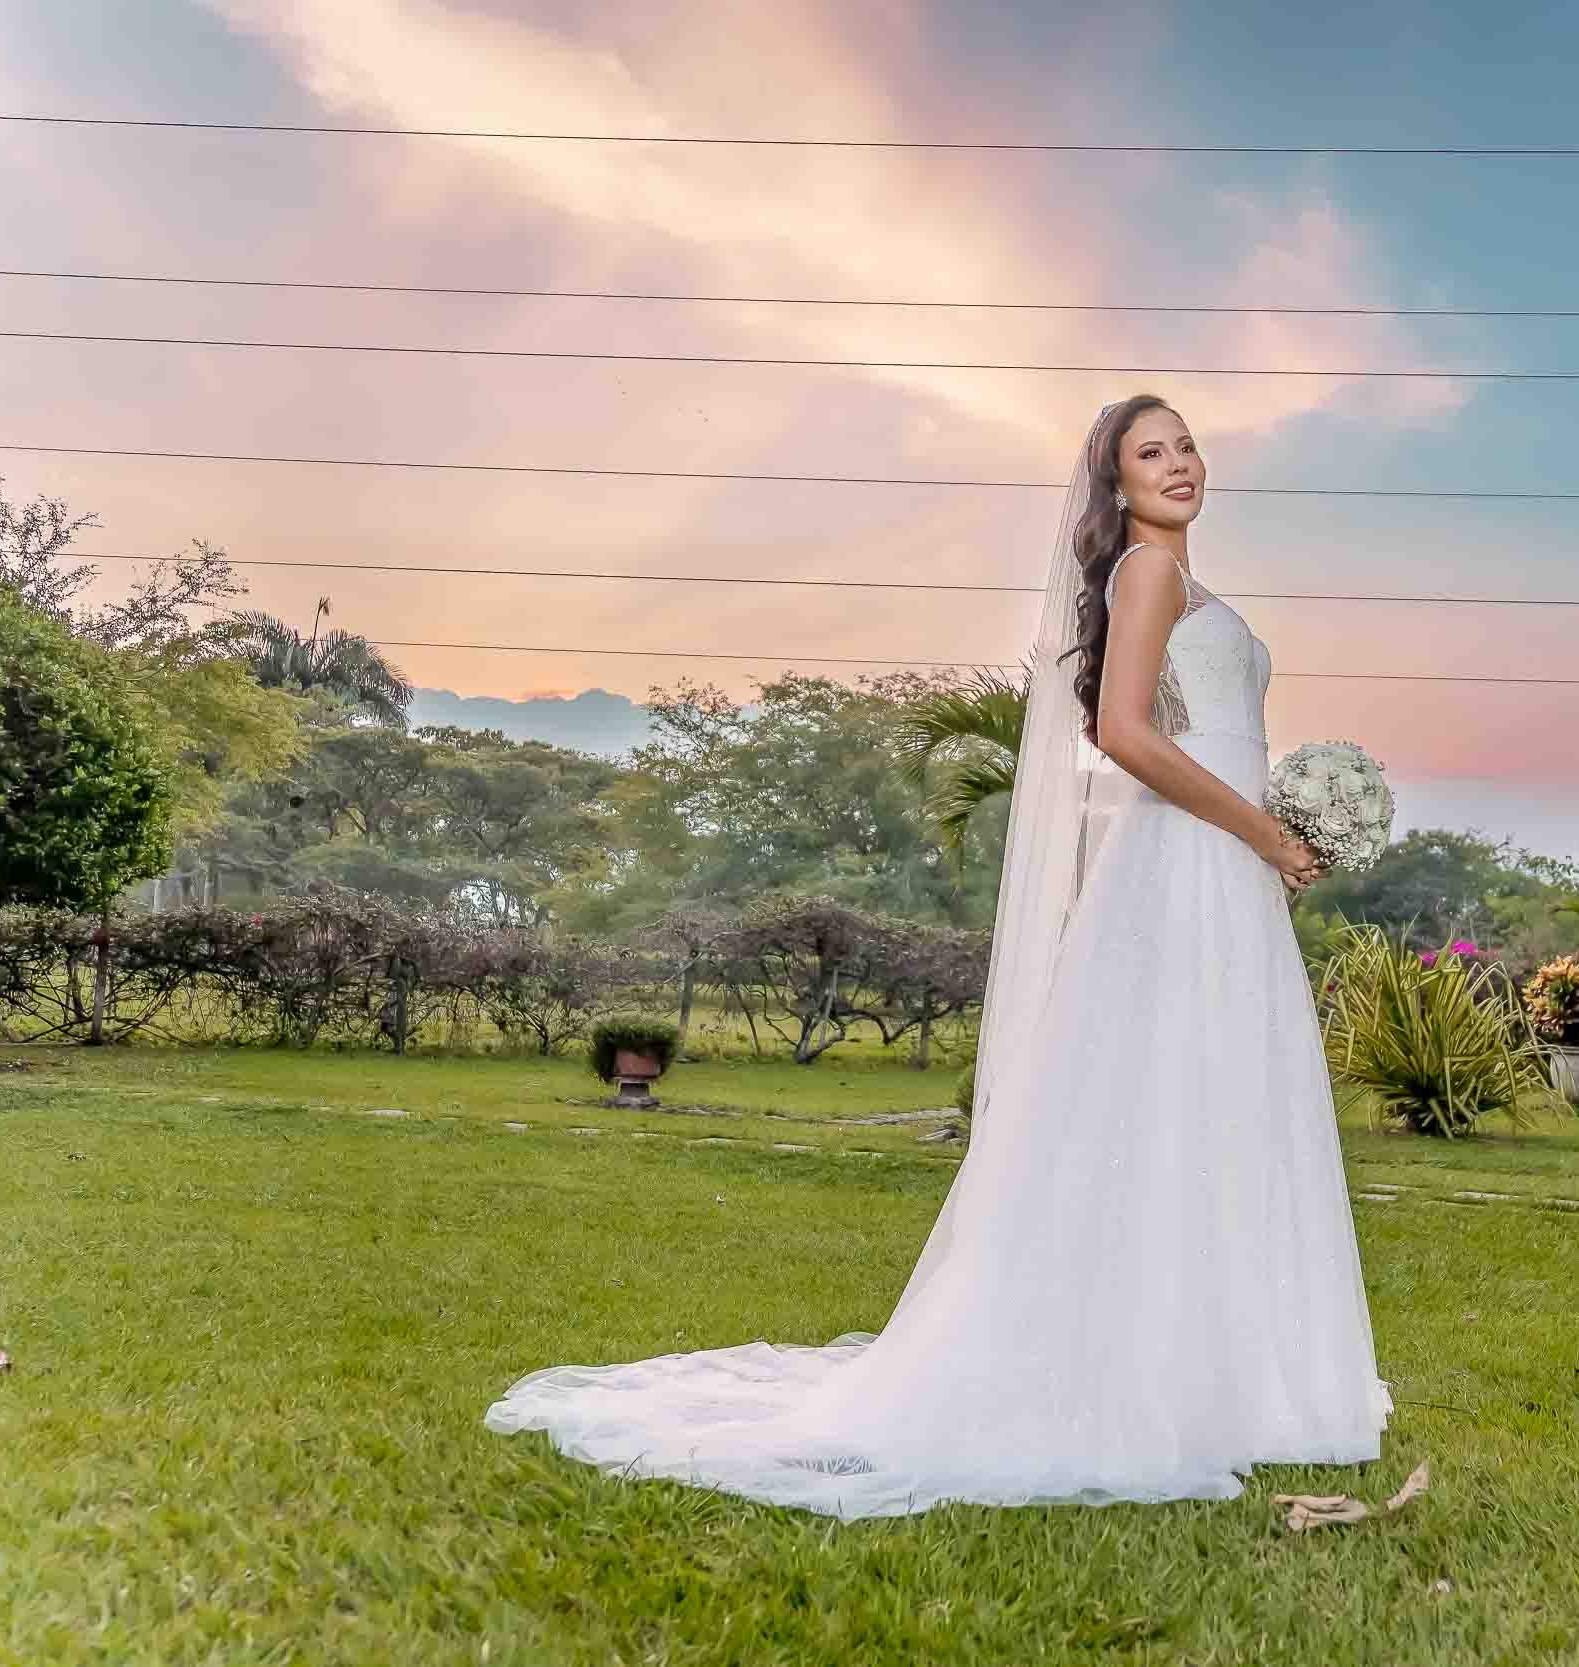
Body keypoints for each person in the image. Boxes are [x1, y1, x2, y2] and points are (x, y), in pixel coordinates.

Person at [484, 395, 1390, 1516]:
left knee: (1213, 1105)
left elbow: (1210, 731)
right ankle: (1163, 1378)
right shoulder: (1146, 576)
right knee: (1169, 1100)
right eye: (1149, 453)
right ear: (1115, 487)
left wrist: (1293, 824)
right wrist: (1261, 829)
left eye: (1187, 444)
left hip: (1224, 873)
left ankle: (1233, 1374)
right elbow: (1122, 731)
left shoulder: (1196, 591)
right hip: (1192, 862)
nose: (1179, 464)